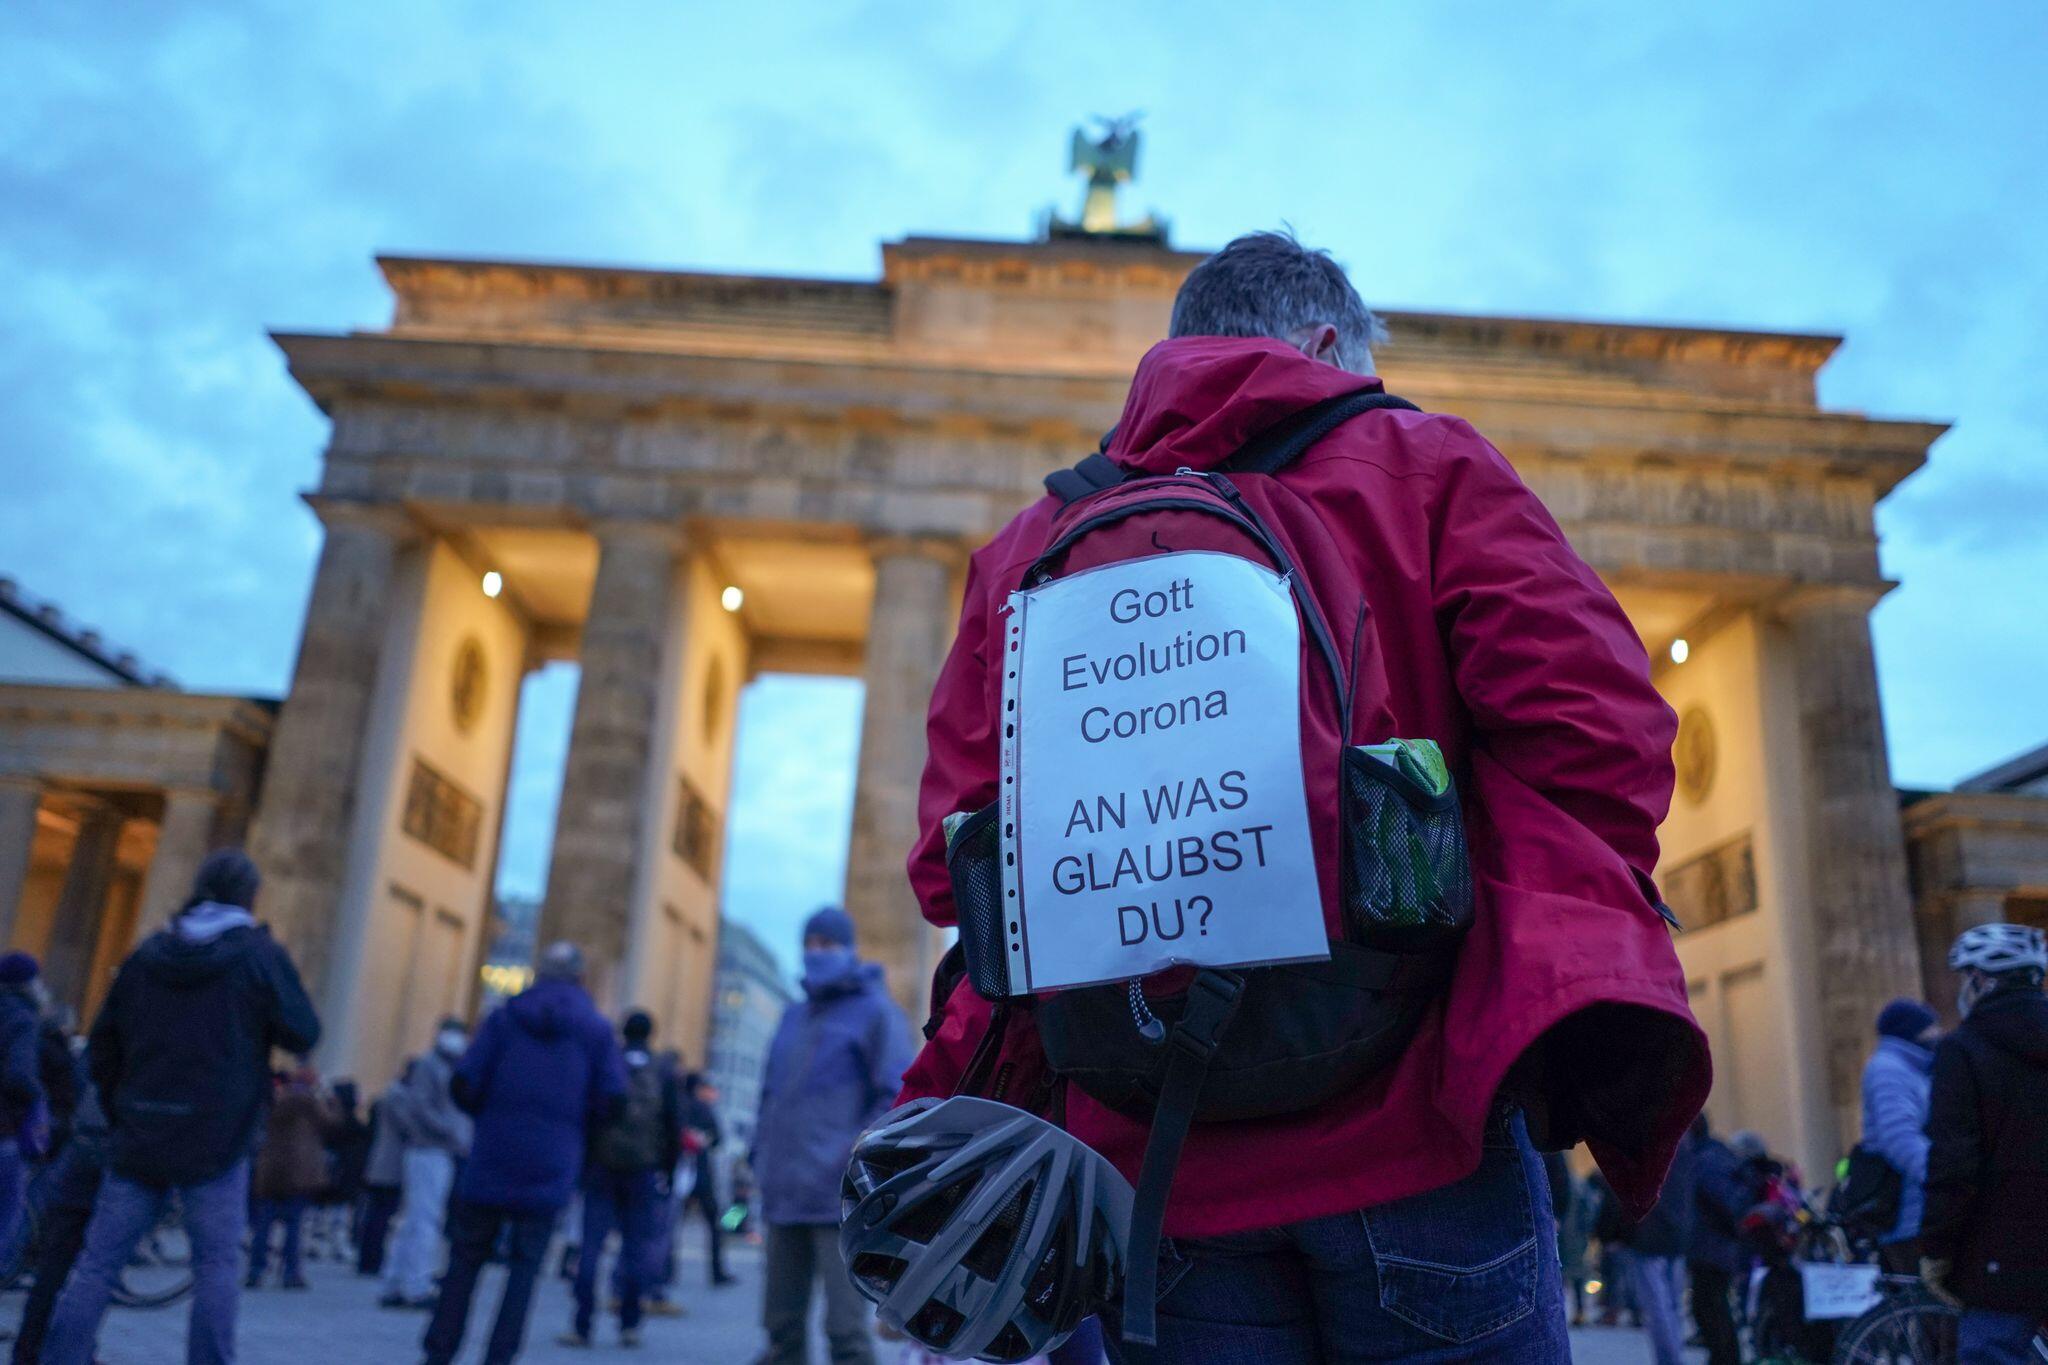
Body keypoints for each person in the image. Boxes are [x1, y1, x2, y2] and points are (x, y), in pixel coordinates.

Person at [895, 230, 1707, 1360]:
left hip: (1157, 1158)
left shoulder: (1033, 546)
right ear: (1325, 344)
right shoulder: (1426, 466)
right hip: (1417, 1125)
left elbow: (953, 857)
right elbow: (1598, 733)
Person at [43, 847, 320, 1365]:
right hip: (217, 1139)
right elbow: (304, 1029)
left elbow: (104, 1044)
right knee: (215, 1266)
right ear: (249, 897)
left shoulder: (149, 953)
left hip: (142, 1130)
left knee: (97, 1265)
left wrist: (123, 1106)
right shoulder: (256, 955)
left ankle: (60, 1357)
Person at [421, 942, 624, 1365]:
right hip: (553, 1160)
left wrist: (488, 1118)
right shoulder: (596, 1031)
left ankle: (439, 1352)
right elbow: (613, 1099)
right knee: (525, 1268)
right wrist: (579, 1134)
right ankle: (499, 1357)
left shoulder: (505, 1018)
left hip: (492, 1154)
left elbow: (465, 1082)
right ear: (580, 979)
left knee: (465, 1260)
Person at [754, 907, 912, 1365]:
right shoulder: (791, 1017)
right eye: (809, 944)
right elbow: (769, 1095)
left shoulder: (876, 1014)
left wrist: (855, 1156)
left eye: (826, 944)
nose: (815, 953)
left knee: (845, 1331)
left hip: (839, 1197)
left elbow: (896, 1095)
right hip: (784, 1190)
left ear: (848, 947)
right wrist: (758, 1155)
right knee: (780, 1327)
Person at [1920, 923, 2048, 1365]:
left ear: (1982, 979)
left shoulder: (1964, 1050)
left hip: (2003, 1251)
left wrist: (1936, 1249)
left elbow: (1953, 1163)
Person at [560, 1010, 680, 1348]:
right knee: (637, 1249)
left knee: (590, 1247)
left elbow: (587, 1115)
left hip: (601, 1169)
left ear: (623, 1032)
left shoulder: (607, 1063)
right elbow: (673, 1125)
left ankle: (582, 1324)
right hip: (643, 1171)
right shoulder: (662, 1071)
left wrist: (581, 1168)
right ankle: (629, 1324)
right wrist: (666, 1171)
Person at [380, 1018, 471, 1309]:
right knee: (424, 1219)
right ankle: (415, 1284)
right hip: (429, 1149)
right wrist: (451, 1131)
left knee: (415, 1219)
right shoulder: (430, 1065)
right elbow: (421, 1106)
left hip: (436, 1149)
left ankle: (396, 1280)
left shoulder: (450, 1065)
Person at [1859, 996, 1939, 1272]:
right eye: (1930, 1027)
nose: (1936, 1033)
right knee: (1926, 1298)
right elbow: (1899, 1138)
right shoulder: (1889, 1069)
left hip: (1918, 1205)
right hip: (1908, 1210)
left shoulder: (1914, 1067)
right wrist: (1943, 1175)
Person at [247, 1062, 337, 1288]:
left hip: (272, 1169)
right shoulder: (310, 1102)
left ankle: (255, 1270)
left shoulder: (277, 1099)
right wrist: (331, 1099)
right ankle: (290, 1273)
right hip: (299, 1172)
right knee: (295, 1226)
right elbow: (332, 1122)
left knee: (264, 1224)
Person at [1623, 1124, 1697, 1365]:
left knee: (1657, 1307)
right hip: (1677, 1233)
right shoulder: (1684, 1143)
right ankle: (1673, 1356)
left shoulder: (1648, 1137)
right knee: (1672, 1304)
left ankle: (1669, 1360)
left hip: (1650, 1233)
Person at [1688, 1115, 1751, 1365]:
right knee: (1709, 1306)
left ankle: (1725, 1359)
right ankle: (1722, 1358)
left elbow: (1723, 1199)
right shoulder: (1711, 1154)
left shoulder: (1707, 1158)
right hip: (1713, 1245)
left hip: (1713, 1247)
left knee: (1711, 1307)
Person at [0, 952, 47, 1264]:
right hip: (4, 1127)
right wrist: (37, 1096)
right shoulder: (22, 1018)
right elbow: (20, 1075)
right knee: (5, 1213)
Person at [679, 1072, 732, 1287]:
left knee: (671, 1225)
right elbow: (718, 1140)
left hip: (680, 1173)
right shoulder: (704, 1109)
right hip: (701, 1173)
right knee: (714, 1226)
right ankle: (717, 1271)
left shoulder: (680, 1106)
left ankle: (664, 1271)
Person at [355, 1077, 408, 1276]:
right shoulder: (399, 1099)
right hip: (390, 1167)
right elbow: (406, 1124)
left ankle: (367, 1258)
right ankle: (372, 1259)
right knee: (381, 1216)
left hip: (379, 1163)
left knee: (374, 1214)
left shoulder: (386, 1099)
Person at [314, 1078, 370, 1262]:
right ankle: (336, 1244)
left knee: (320, 1209)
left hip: (329, 1167)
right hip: (344, 1171)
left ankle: (315, 1243)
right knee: (339, 1211)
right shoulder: (354, 1125)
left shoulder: (328, 1120)